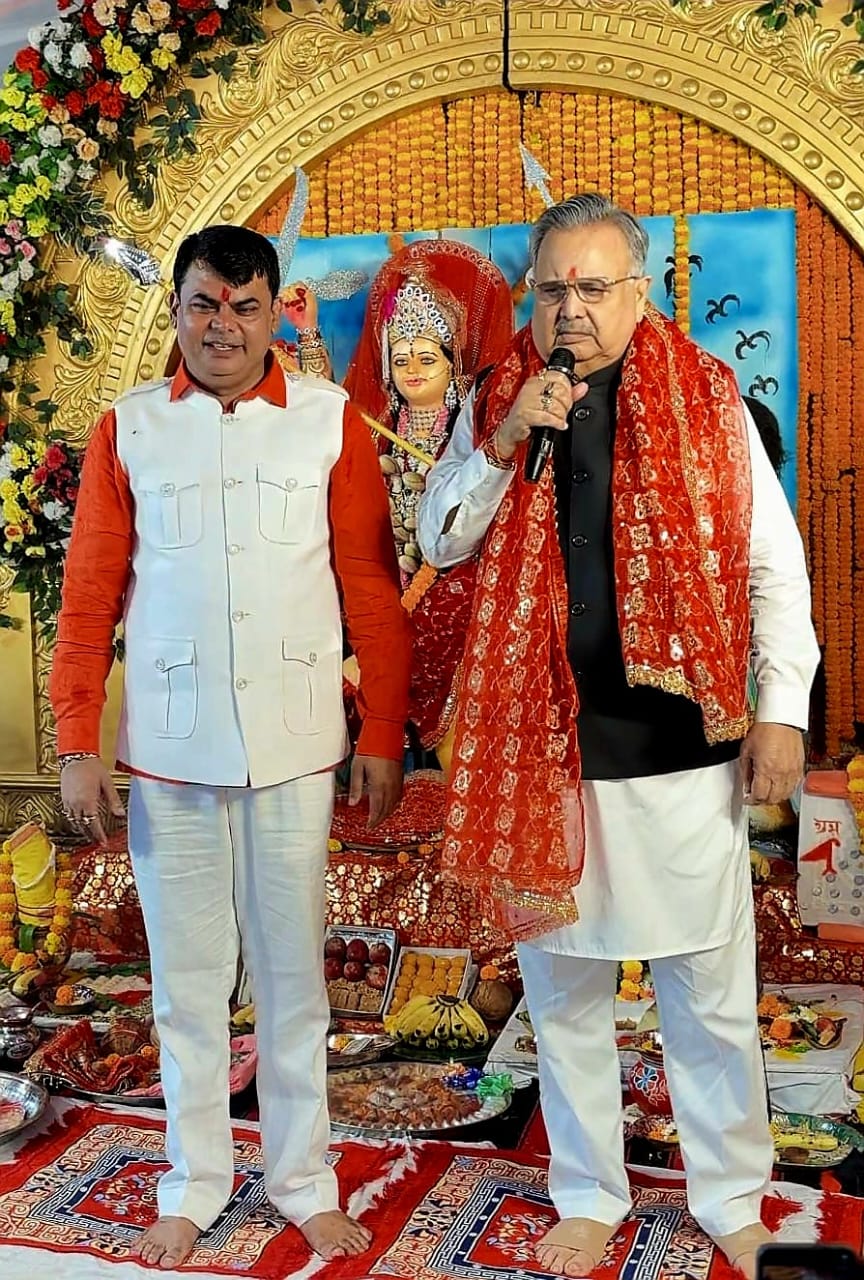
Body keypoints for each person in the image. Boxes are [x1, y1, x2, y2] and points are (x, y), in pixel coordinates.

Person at [418, 194, 819, 1279]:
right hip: (539, 751)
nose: (572, 310)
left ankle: (730, 1193)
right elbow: (440, 539)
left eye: (595, 288)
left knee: (707, 995)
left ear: (640, 293)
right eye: (554, 288)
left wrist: (781, 709)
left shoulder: (711, 398)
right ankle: (589, 1192)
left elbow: (772, 569)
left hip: (679, 750)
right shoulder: (496, 398)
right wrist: (504, 439)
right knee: (563, 997)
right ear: (531, 294)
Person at [50, 224, 411, 1270]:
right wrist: (76, 741)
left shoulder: (328, 422)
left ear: (272, 314)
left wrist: (383, 730)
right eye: (204, 304)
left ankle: (302, 1180)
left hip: (295, 744)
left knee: (295, 979)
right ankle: (194, 1180)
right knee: (187, 982)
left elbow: (372, 590)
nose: (223, 327)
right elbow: (88, 597)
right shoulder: (129, 429)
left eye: (245, 307)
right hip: (171, 749)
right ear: (176, 310)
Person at [343, 239, 513, 771]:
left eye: (426, 358)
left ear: (452, 364)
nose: (412, 370)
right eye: (400, 360)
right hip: (385, 591)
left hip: (455, 596)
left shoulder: (469, 432)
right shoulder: (374, 434)